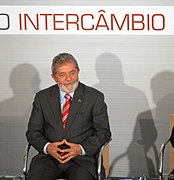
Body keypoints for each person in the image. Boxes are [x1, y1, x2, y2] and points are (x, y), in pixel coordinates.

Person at [26, 52, 111, 180]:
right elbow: (33, 132)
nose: (69, 78)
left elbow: (104, 132)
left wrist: (80, 149)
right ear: (54, 77)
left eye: (72, 73)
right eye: (62, 75)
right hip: (48, 159)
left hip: (82, 161)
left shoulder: (94, 97)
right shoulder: (42, 98)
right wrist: (48, 147)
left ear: (78, 71)